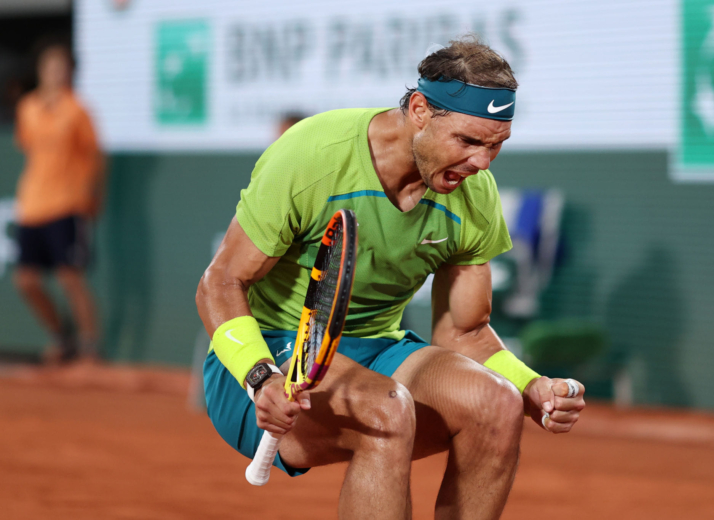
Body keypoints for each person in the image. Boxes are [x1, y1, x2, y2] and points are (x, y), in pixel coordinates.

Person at [197, 36, 586, 519]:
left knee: (498, 403)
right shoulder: (312, 155)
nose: (482, 163)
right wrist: (260, 376)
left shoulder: (474, 194)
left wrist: (531, 386)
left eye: (496, 145)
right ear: (419, 110)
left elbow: (464, 331)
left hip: (380, 352)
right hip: (273, 355)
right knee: (387, 409)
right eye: (468, 141)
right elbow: (220, 282)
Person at [13, 44, 104, 363]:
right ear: (40, 71)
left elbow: (94, 157)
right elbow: (29, 147)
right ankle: (62, 338)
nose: (56, 73)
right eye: (51, 67)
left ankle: (90, 347)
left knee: (70, 277)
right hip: (31, 205)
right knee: (26, 280)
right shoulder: (27, 107)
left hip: (68, 203)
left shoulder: (78, 110)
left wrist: (92, 197)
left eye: (62, 67)